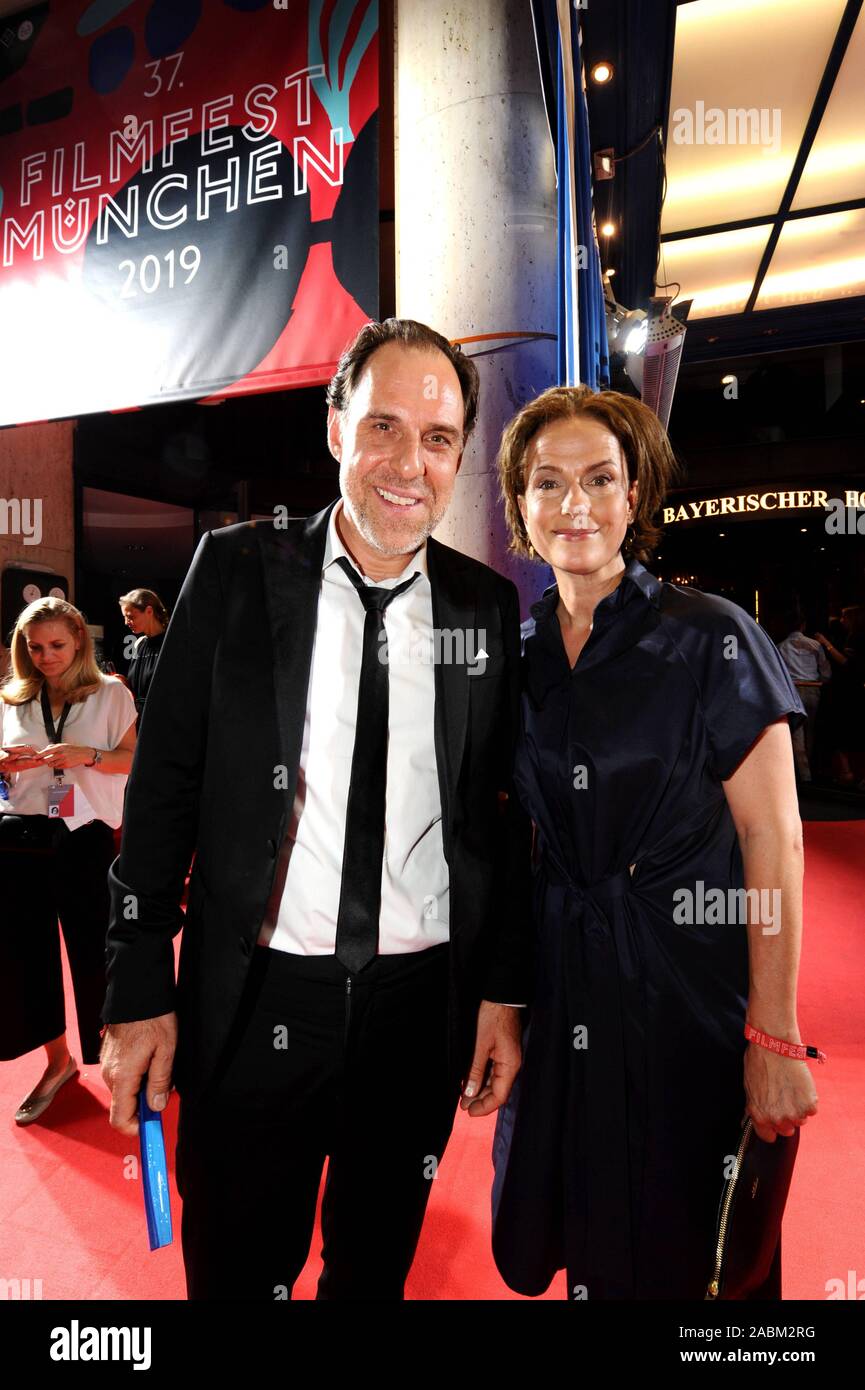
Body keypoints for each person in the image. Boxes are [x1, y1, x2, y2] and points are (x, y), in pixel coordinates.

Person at [99, 318, 532, 1301]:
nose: (408, 463)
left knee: (373, 1270)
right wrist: (136, 985)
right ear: (335, 427)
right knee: (241, 1271)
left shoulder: (482, 607)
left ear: (459, 453)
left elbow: (494, 819)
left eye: (436, 438)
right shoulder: (237, 572)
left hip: (419, 1012)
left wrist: (502, 992)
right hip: (256, 1005)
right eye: (382, 427)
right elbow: (162, 788)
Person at [489, 384, 819, 1301]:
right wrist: (504, 1009)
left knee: (702, 1255)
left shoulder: (710, 635)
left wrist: (776, 1034)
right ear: (519, 503)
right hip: (567, 993)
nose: (574, 504)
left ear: (633, 495)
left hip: (691, 991)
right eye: (546, 483)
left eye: (599, 478)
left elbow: (772, 839)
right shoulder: (518, 659)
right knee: (589, 1230)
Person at [0, 598, 136, 1124]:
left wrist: (89, 757)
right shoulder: (13, 698)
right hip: (19, 838)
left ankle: (119, 1060)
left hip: (85, 837)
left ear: (79, 640)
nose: (45, 657)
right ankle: (56, 1064)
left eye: (56, 645)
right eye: (34, 648)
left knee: (100, 952)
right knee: (24, 957)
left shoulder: (110, 693)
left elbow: (136, 759)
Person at [778, 607, 831, 783]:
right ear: (803, 625)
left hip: (792, 690)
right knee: (811, 729)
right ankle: (809, 771)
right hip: (813, 689)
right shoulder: (815, 645)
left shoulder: (781, 647)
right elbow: (825, 672)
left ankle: (804, 775)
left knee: (797, 732)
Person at [119, 589, 169, 718]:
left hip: (160, 720)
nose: (126, 622)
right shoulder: (139, 643)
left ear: (149, 611)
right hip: (136, 719)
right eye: (125, 617)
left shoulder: (171, 643)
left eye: (130, 617)